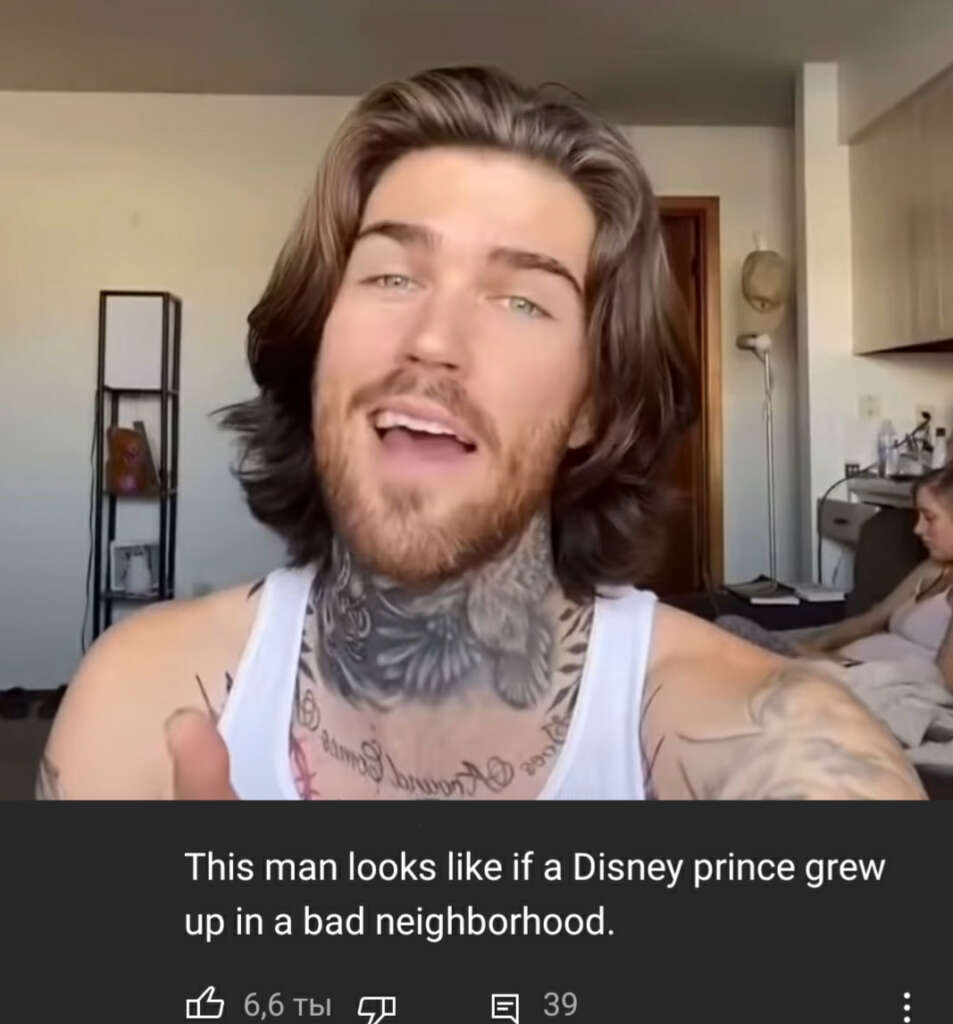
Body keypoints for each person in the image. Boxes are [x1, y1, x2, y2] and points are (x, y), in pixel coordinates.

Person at [37, 66, 924, 801]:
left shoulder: (768, 738)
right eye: (390, 276)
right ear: (318, 345)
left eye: (521, 300)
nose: (432, 339)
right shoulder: (143, 696)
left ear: (594, 406)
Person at [793, 465, 953, 690]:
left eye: (929, 517)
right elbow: (871, 620)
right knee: (734, 629)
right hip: (839, 670)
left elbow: (943, 683)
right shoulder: (933, 567)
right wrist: (810, 647)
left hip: (869, 685)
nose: (917, 529)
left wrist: (837, 665)